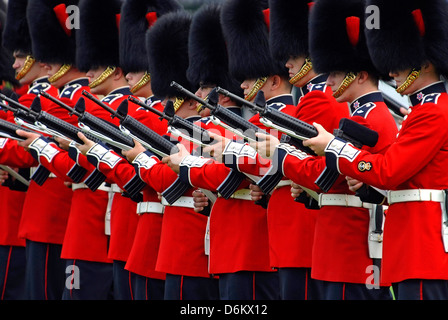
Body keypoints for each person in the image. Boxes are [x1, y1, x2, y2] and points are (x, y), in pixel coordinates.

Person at [251, 0, 398, 300]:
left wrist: (279, 154)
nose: (328, 78)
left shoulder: (367, 116)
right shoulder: (359, 113)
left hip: (350, 244)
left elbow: (329, 174)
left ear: (359, 74)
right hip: (334, 242)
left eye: (335, 72)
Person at [301, 0, 448, 300]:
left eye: (401, 61)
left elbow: (388, 171)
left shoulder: (432, 113)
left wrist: (332, 146)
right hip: (412, 250)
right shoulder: (423, 112)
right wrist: (370, 188)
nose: (392, 70)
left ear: (425, 62)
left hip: (422, 251)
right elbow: (405, 180)